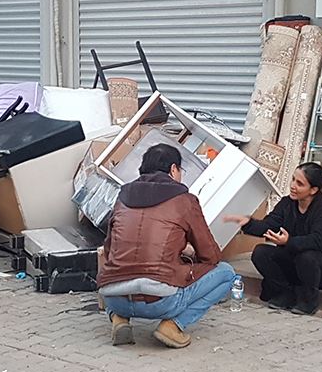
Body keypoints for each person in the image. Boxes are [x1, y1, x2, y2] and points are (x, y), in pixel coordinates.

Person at [97, 144, 235, 349]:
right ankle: (172, 326)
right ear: (173, 170)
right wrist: (188, 253)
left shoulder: (121, 197)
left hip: (114, 298)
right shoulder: (185, 200)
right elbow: (211, 255)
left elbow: (109, 249)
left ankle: (119, 318)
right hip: (159, 303)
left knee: (112, 270)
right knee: (226, 273)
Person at [224, 162, 322, 315]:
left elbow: (318, 240)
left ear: (313, 190)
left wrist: (288, 242)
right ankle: (285, 294)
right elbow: (269, 224)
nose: (293, 186)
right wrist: (248, 223)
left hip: (319, 267)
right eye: (293, 180)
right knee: (261, 252)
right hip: (295, 261)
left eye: (299, 183)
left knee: (307, 257)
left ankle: (309, 301)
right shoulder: (287, 203)